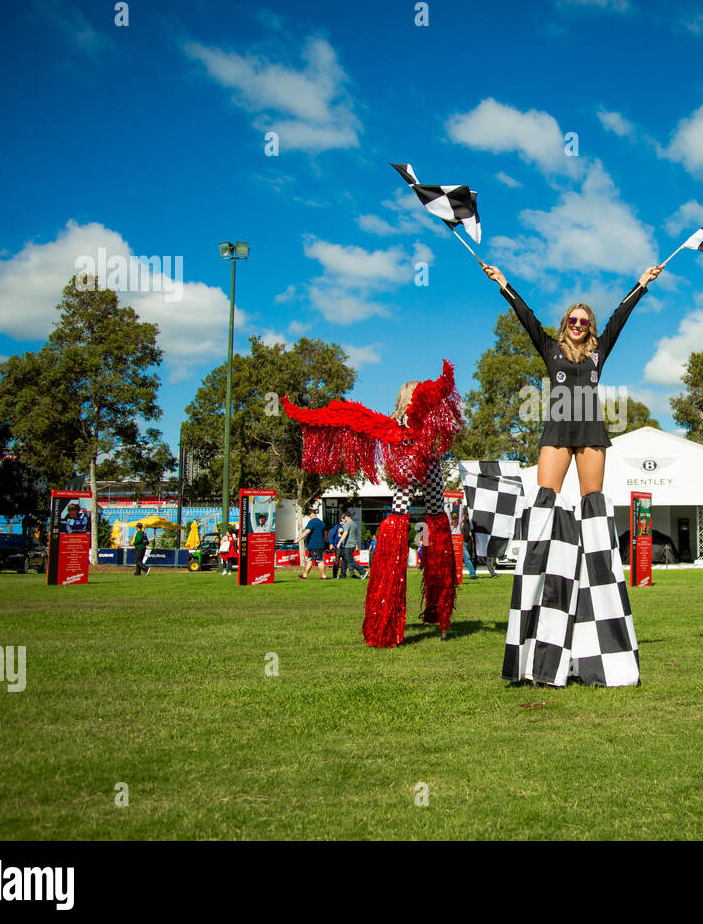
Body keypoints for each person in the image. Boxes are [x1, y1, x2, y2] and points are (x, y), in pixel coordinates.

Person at [481, 261, 663, 687]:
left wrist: (640, 285)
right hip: (558, 433)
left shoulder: (599, 352)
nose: (578, 324)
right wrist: (504, 284)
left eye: (585, 320)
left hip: (592, 435)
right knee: (544, 506)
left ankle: (596, 611)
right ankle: (537, 606)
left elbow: (621, 317)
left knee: (593, 513)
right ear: (566, 324)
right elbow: (525, 319)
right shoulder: (552, 350)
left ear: (591, 327)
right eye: (573, 319)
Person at [282, 362, 463, 644]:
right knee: (435, 526)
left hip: (410, 472)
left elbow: (347, 419)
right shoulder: (413, 425)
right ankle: (438, 617)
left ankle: (392, 621)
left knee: (405, 521)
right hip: (427, 470)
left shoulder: (394, 425)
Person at [297, 511, 327, 580]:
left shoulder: (312, 522)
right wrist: (324, 541)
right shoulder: (322, 523)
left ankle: (323, 576)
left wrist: (299, 539)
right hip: (320, 544)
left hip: (314, 545)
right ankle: (304, 575)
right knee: (310, 560)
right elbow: (325, 534)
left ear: (311, 516)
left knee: (320, 561)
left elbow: (307, 531)